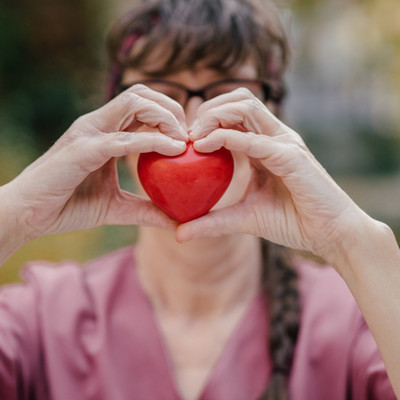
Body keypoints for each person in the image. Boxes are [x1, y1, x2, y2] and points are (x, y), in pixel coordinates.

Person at [0, 0, 399, 399]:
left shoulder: (359, 318)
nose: (190, 124)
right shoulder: (41, 319)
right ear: (114, 128)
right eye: (158, 96)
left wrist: (353, 241)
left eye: (226, 95)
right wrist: (16, 215)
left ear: (274, 120)